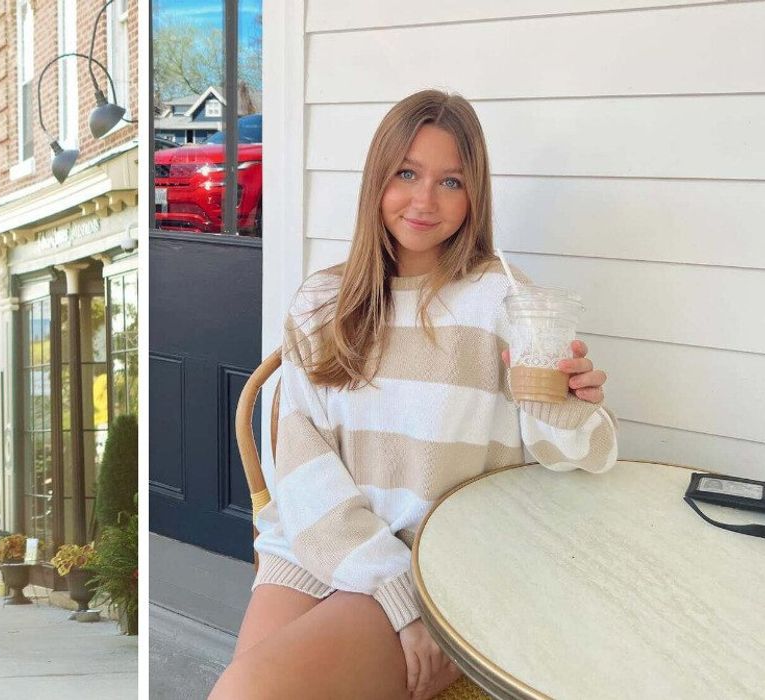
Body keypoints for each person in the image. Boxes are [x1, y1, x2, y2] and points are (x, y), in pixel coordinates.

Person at [210, 90, 617, 700]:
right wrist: (392, 594)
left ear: (474, 195)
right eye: (406, 174)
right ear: (377, 180)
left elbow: (576, 457)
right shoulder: (323, 303)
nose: (424, 200)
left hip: (439, 565)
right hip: (318, 540)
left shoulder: (505, 304)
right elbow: (298, 467)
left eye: (451, 181)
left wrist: (565, 405)